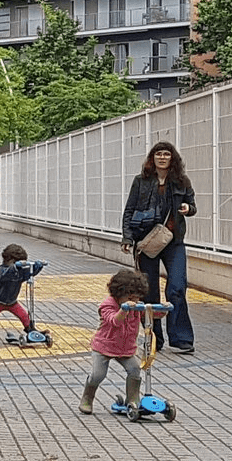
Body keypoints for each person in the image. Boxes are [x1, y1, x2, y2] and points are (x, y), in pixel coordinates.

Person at [121, 141, 198, 355]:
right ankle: (154, 338)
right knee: (149, 292)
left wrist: (187, 208)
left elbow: (193, 206)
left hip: (173, 241)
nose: (162, 158)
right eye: (158, 154)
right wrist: (127, 237)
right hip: (147, 241)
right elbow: (129, 211)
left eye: (166, 154)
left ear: (172, 158)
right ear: (152, 158)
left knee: (177, 287)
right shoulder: (141, 181)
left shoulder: (181, 181)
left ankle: (181, 338)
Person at [81, 269, 153, 414]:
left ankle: (132, 400)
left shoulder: (136, 305)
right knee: (98, 375)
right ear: (120, 294)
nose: (135, 301)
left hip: (125, 348)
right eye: (130, 297)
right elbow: (114, 321)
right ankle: (87, 397)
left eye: (137, 298)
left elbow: (149, 314)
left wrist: (159, 310)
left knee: (134, 370)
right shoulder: (108, 305)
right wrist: (124, 310)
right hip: (104, 346)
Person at [0, 244, 48, 343]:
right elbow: (6, 274)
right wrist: (15, 267)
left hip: (12, 301)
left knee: (24, 315)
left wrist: (37, 267)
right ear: (9, 260)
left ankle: (31, 331)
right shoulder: (2, 270)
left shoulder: (20, 272)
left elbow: (28, 274)